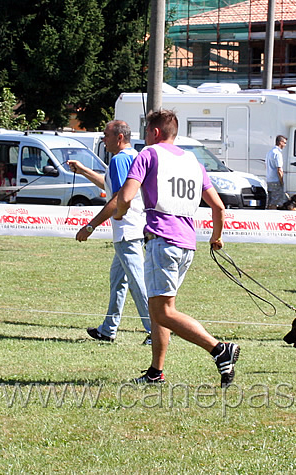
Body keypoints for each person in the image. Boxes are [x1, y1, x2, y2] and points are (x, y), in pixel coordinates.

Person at [114, 109, 239, 387]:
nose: (144, 137)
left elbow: (126, 196)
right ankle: (155, 372)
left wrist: (120, 212)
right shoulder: (193, 161)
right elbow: (218, 207)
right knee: (161, 305)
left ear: (155, 132)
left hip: (162, 241)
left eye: (147, 131)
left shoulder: (148, 154)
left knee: (162, 312)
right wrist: (216, 237)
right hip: (187, 244)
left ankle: (219, 349)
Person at [68, 120, 151, 344]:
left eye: (106, 135)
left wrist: (90, 226)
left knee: (136, 282)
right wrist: (84, 170)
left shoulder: (119, 160)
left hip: (127, 230)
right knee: (118, 280)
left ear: (119, 137)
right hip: (135, 227)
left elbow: (118, 198)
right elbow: (109, 185)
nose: (103, 139)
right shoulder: (133, 157)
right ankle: (108, 329)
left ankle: (154, 330)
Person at [266, 135, 287, 209]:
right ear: (280, 142)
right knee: (275, 203)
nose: (285, 145)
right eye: (284, 143)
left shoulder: (270, 152)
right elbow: (279, 170)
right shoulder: (278, 154)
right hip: (276, 181)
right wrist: (281, 181)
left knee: (270, 202)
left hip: (269, 180)